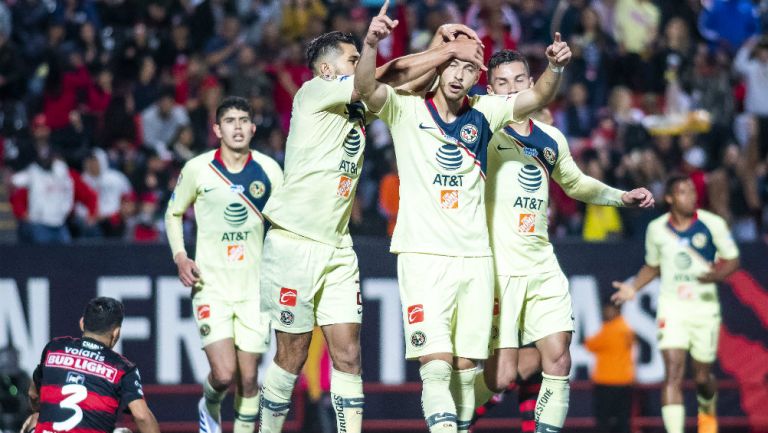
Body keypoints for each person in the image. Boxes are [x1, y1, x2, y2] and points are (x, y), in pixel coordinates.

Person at [258, 18, 486, 433]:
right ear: (327, 70)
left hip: (338, 246)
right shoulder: (313, 93)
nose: (361, 62)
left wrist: (436, 45)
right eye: (353, 58)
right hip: (293, 241)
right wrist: (447, 52)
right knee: (291, 355)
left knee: (348, 355)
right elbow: (378, 76)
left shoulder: (358, 102)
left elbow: (401, 82)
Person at [355, 3, 574, 427]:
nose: (458, 75)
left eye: (470, 68)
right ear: (438, 67)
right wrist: (370, 45)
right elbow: (366, 88)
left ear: (480, 80)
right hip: (422, 257)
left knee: (466, 373)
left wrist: (554, 69)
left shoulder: (486, 114)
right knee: (434, 365)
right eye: (452, 65)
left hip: (476, 262)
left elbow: (538, 95)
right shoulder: (406, 110)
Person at [468, 49, 653, 433]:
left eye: (520, 80)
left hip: (542, 264)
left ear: (531, 85)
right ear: (489, 90)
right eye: (502, 83)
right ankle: (456, 413)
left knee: (558, 359)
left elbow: (576, 183)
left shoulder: (550, 138)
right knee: (503, 377)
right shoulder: (481, 127)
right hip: (499, 268)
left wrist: (621, 196)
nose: (512, 89)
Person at [165, 96, 284, 433]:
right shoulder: (198, 169)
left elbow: (286, 219)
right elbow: (173, 213)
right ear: (217, 129)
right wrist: (180, 255)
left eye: (243, 120)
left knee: (249, 379)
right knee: (224, 374)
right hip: (211, 287)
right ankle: (210, 404)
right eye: (229, 121)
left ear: (253, 127)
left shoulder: (269, 170)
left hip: (254, 289)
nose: (237, 127)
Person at [612, 175, 740, 433]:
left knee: (702, 377)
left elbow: (732, 259)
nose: (690, 196)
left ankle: (707, 408)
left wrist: (717, 274)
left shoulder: (711, 223)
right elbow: (653, 266)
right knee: (673, 372)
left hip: (704, 308)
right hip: (672, 308)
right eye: (683, 192)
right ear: (669, 198)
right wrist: (632, 287)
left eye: (692, 191)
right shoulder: (657, 229)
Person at [20, 297, 159, 433]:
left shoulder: (54, 348)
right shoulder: (122, 368)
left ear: (82, 323)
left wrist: (40, 414)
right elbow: (141, 417)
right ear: (116, 332)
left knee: (35, 419)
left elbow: (33, 394)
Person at [584, 302, 635, 433]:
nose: (605, 313)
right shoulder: (627, 328)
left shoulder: (611, 328)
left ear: (616, 310)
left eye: (608, 309)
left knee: (603, 420)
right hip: (624, 381)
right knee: (623, 419)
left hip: (607, 382)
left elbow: (590, 344)